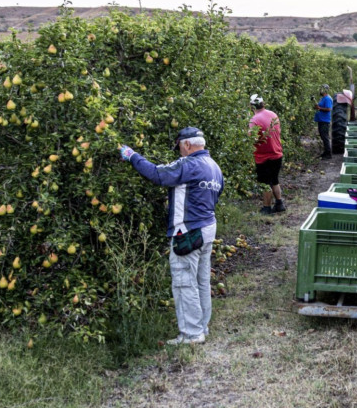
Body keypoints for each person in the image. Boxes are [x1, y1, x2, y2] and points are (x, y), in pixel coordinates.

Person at [119, 127, 224, 345]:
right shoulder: (214, 167)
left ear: (187, 144)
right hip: (207, 228)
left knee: (184, 282)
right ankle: (202, 327)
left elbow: (158, 174)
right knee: (201, 281)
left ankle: (191, 334)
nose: (179, 152)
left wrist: (132, 156)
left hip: (189, 231)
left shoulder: (189, 164)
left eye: (180, 147)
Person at [248, 94, 285, 215]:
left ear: (252, 106)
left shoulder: (254, 120)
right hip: (277, 153)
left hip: (263, 156)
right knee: (274, 180)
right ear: (263, 103)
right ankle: (279, 204)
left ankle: (266, 207)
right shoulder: (273, 114)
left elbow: (251, 138)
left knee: (265, 183)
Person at [314, 84, 333, 159]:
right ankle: (326, 152)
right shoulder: (323, 98)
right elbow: (320, 107)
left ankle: (328, 154)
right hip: (321, 120)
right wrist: (317, 107)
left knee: (325, 137)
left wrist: (319, 108)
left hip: (325, 121)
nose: (320, 91)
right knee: (323, 136)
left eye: (321, 89)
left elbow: (328, 109)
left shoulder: (327, 98)